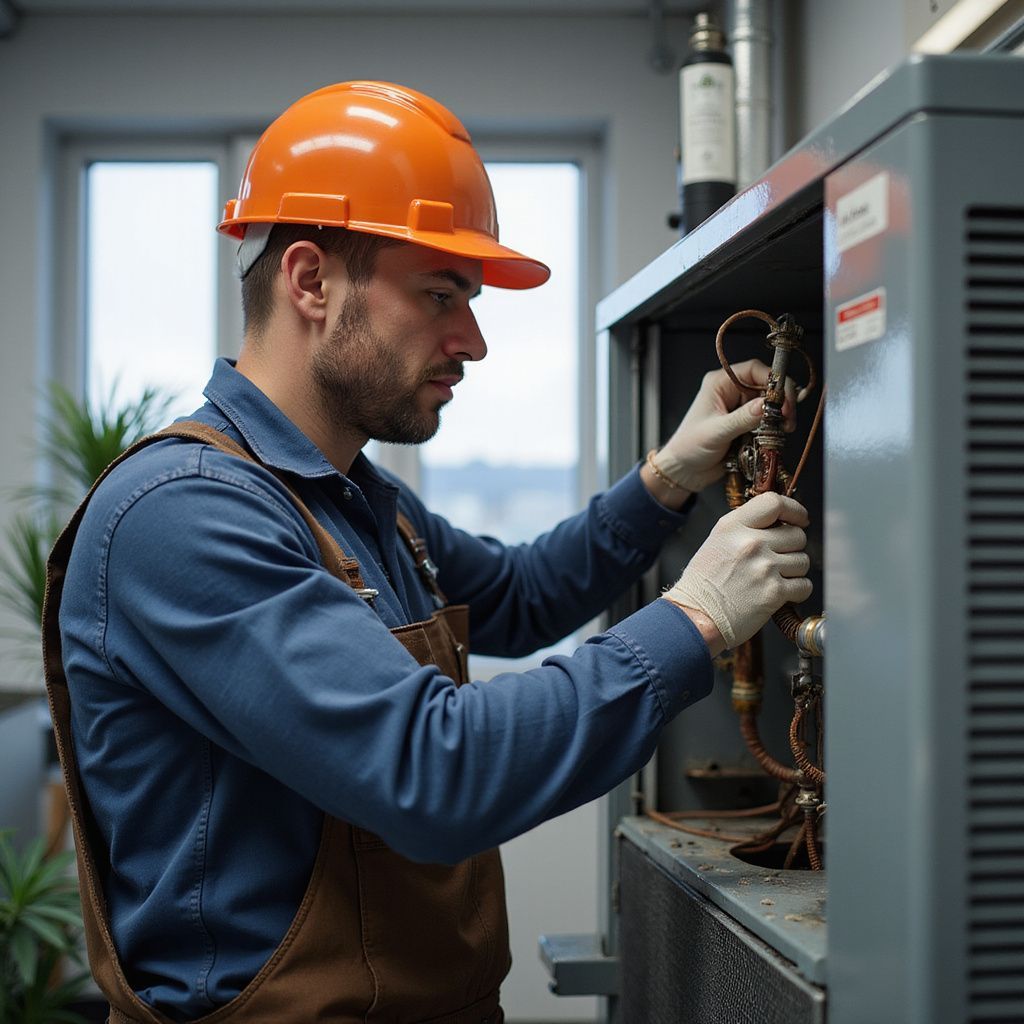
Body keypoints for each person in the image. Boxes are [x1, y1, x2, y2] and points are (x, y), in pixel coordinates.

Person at [44, 81, 812, 1024]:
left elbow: (524, 595)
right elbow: (434, 772)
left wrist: (666, 478)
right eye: (441, 294)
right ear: (311, 282)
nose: (475, 341)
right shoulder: (185, 515)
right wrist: (698, 618)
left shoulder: (359, 500)